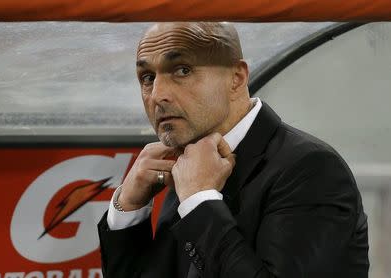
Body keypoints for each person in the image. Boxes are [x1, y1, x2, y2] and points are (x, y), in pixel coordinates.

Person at [97, 22, 369, 278]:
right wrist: (128, 211)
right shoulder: (188, 162)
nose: (157, 95)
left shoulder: (312, 169)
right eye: (147, 77)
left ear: (237, 78)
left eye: (182, 70)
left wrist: (199, 203)